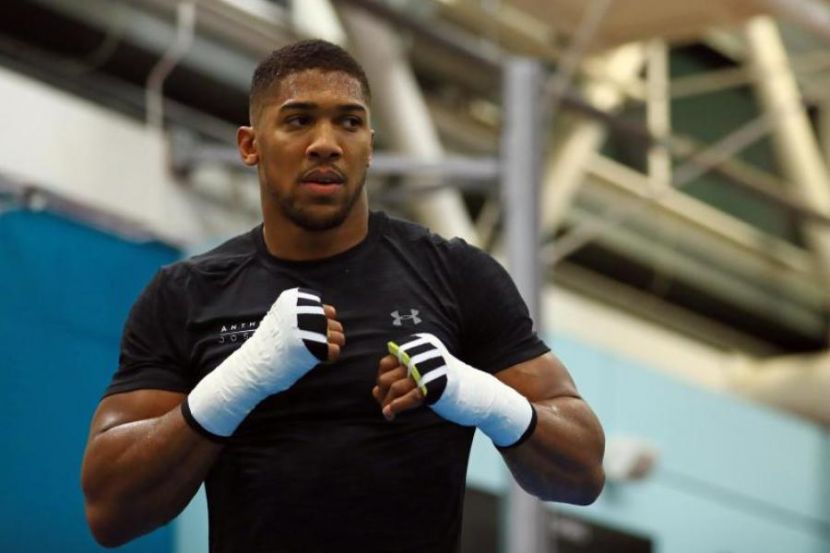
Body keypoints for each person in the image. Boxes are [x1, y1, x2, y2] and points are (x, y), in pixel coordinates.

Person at [81, 39, 605, 553]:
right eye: (298, 120)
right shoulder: (186, 295)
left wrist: (481, 396)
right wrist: (242, 378)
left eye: (349, 122)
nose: (326, 143)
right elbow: (110, 511)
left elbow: (583, 474)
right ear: (250, 145)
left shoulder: (454, 274)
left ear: (370, 145)